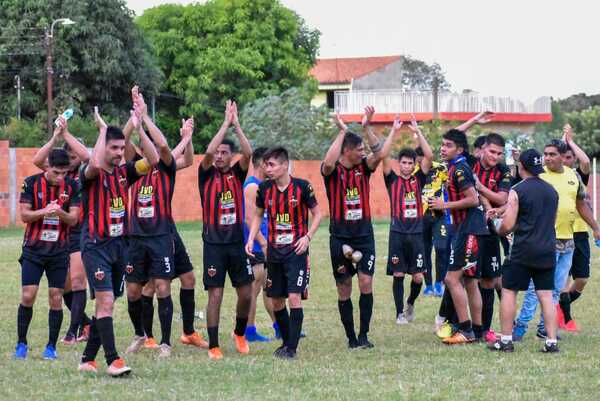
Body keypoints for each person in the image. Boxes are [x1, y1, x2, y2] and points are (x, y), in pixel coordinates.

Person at [77, 105, 158, 376]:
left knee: (106, 304)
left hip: (119, 246)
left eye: (121, 149)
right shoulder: (90, 173)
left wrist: (139, 126)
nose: (119, 153)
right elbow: (95, 163)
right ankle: (113, 360)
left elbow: (154, 159)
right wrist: (101, 131)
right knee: (107, 301)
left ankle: (88, 358)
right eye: (114, 148)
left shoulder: (126, 173)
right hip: (95, 246)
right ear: (104, 147)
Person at [123, 89, 195, 358]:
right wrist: (136, 118)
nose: (149, 150)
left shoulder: (166, 167)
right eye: (145, 148)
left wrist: (147, 121)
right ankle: (140, 334)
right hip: (135, 237)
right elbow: (122, 138)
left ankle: (165, 342)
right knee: (133, 291)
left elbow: (167, 149)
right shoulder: (133, 168)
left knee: (163, 286)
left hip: (161, 236)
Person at [513, 138, 600, 340]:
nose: (548, 158)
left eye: (553, 154)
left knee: (555, 289)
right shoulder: (539, 176)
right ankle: (521, 326)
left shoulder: (573, 176)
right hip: (544, 241)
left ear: (563, 157)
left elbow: (581, 205)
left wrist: (595, 227)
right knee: (536, 288)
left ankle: (545, 328)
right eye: (546, 154)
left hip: (568, 242)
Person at [137, 118, 208, 350]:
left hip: (168, 231)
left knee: (188, 278)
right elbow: (166, 149)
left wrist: (187, 139)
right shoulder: (135, 169)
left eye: (157, 147)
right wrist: (184, 137)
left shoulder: (165, 169)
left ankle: (188, 332)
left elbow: (188, 159)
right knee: (151, 286)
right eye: (150, 147)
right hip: (146, 236)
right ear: (142, 149)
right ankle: (148, 337)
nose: (155, 151)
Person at [245, 147, 322, 359]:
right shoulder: (265, 189)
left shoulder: (302, 187)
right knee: (277, 300)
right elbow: (257, 216)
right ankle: (287, 342)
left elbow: (318, 214)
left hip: (296, 252)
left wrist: (307, 237)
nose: (267, 168)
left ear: (284, 165)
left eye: (271, 164)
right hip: (274, 253)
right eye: (266, 164)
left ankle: (292, 348)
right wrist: (252, 239)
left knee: (294, 297)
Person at [322, 107, 386, 349]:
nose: (363, 152)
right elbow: (328, 162)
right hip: (339, 237)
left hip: (364, 236)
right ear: (346, 150)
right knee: (344, 286)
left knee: (366, 283)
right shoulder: (332, 172)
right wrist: (342, 132)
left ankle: (364, 335)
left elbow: (379, 153)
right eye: (359, 149)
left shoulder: (363, 169)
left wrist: (367, 127)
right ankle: (350, 338)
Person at [487, 149, 560, 353]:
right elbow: (551, 221)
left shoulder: (517, 190)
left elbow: (508, 225)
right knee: (546, 295)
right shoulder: (552, 190)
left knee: (510, 291)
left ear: (522, 167)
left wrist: (496, 226)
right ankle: (551, 342)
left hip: (523, 250)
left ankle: (507, 340)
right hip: (547, 249)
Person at [198, 100, 254, 360]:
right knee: (216, 294)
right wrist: (224, 124)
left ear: (230, 156)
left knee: (245, 293)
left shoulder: (237, 174)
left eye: (224, 153)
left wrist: (237, 124)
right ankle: (213, 345)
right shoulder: (206, 174)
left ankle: (240, 333)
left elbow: (249, 152)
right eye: (217, 153)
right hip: (213, 245)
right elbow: (207, 153)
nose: (219, 156)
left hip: (236, 244)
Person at [14, 147, 80, 360]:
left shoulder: (72, 186)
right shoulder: (31, 183)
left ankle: (51, 347)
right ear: (47, 167)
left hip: (59, 251)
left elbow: (74, 219)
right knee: (28, 295)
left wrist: (60, 212)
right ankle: (21, 344)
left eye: (64, 173)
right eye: (56, 172)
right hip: (34, 250)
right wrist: (45, 211)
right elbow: (24, 215)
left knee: (56, 297)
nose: (61, 177)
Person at [32, 117, 92, 344]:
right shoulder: (59, 171)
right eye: (72, 157)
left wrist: (68, 135)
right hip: (59, 233)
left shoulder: (85, 174)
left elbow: (88, 157)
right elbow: (38, 159)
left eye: (77, 157)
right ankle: (87, 324)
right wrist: (56, 136)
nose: (75, 161)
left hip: (79, 231)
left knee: (77, 282)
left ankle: (73, 331)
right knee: (65, 286)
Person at [429, 129, 488, 344]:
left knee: (451, 279)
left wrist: (444, 204)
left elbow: (473, 199)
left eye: (448, 145)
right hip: (467, 228)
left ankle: (466, 330)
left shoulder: (460, 169)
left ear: (460, 149)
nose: (443, 148)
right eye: (442, 144)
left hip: (468, 229)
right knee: (470, 281)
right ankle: (478, 330)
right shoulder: (455, 167)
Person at [381, 115, 433, 324]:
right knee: (399, 274)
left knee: (418, 277)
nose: (406, 166)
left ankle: (410, 302)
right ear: (399, 163)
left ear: (414, 165)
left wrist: (417, 131)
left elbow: (429, 154)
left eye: (410, 163)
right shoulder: (391, 180)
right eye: (403, 162)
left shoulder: (418, 179)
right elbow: (383, 155)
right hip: (398, 234)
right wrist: (394, 130)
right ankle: (399, 313)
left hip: (417, 233)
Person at [471, 133, 512, 342]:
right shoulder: (469, 164)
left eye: (499, 153)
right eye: (492, 151)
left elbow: (502, 198)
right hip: (467, 230)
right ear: (482, 149)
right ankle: (452, 323)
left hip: (489, 233)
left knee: (488, 280)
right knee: (462, 279)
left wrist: (480, 188)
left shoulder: (504, 171)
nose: (495, 156)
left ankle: (484, 330)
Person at [558, 124, 592, 330]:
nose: (566, 161)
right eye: (564, 157)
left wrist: (570, 141)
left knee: (581, 279)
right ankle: (566, 319)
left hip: (580, 233)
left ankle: (560, 307)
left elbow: (586, 161)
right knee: (562, 279)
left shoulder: (578, 176)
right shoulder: (551, 177)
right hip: (561, 234)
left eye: (570, 157)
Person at [243, 147, 276, 342]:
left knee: (269, 287)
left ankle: (280, 326)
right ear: (261, 163)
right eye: (269, 163)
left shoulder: (262, 185)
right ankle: (249, 331)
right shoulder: (252, 187)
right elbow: (249, 218)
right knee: (253, 289)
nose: (271, 167)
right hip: (255, 246)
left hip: (263, 244)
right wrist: (263, 243)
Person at [418, 146, 449, 298]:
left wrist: (445, 202)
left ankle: (439, 283)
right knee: (425, 252)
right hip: (421, 218)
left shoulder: (441, 169)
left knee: (441, 248)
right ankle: (429, 285)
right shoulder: (414, 172)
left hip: (439, 216)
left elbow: (450, 187)